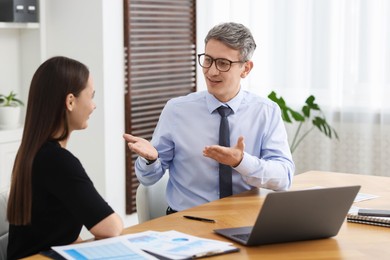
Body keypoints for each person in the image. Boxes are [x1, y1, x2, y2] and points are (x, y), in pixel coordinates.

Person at [124, 22, 294, 214]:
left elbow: (283, 177)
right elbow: (148, 179)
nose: (211, 71)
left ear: (246, 68)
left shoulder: (266, 111)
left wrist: (241, 162)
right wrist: (151, 160)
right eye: (208, 60)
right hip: (186, 222)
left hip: (245, 221)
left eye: (223, 63)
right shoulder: (177, 110)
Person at [7, 56, 123, 259]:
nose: (94, 106)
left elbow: (57, 233)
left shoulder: (34, 152)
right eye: (91, 96)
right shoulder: (57, 160)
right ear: (70, 101)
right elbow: (111, 227)